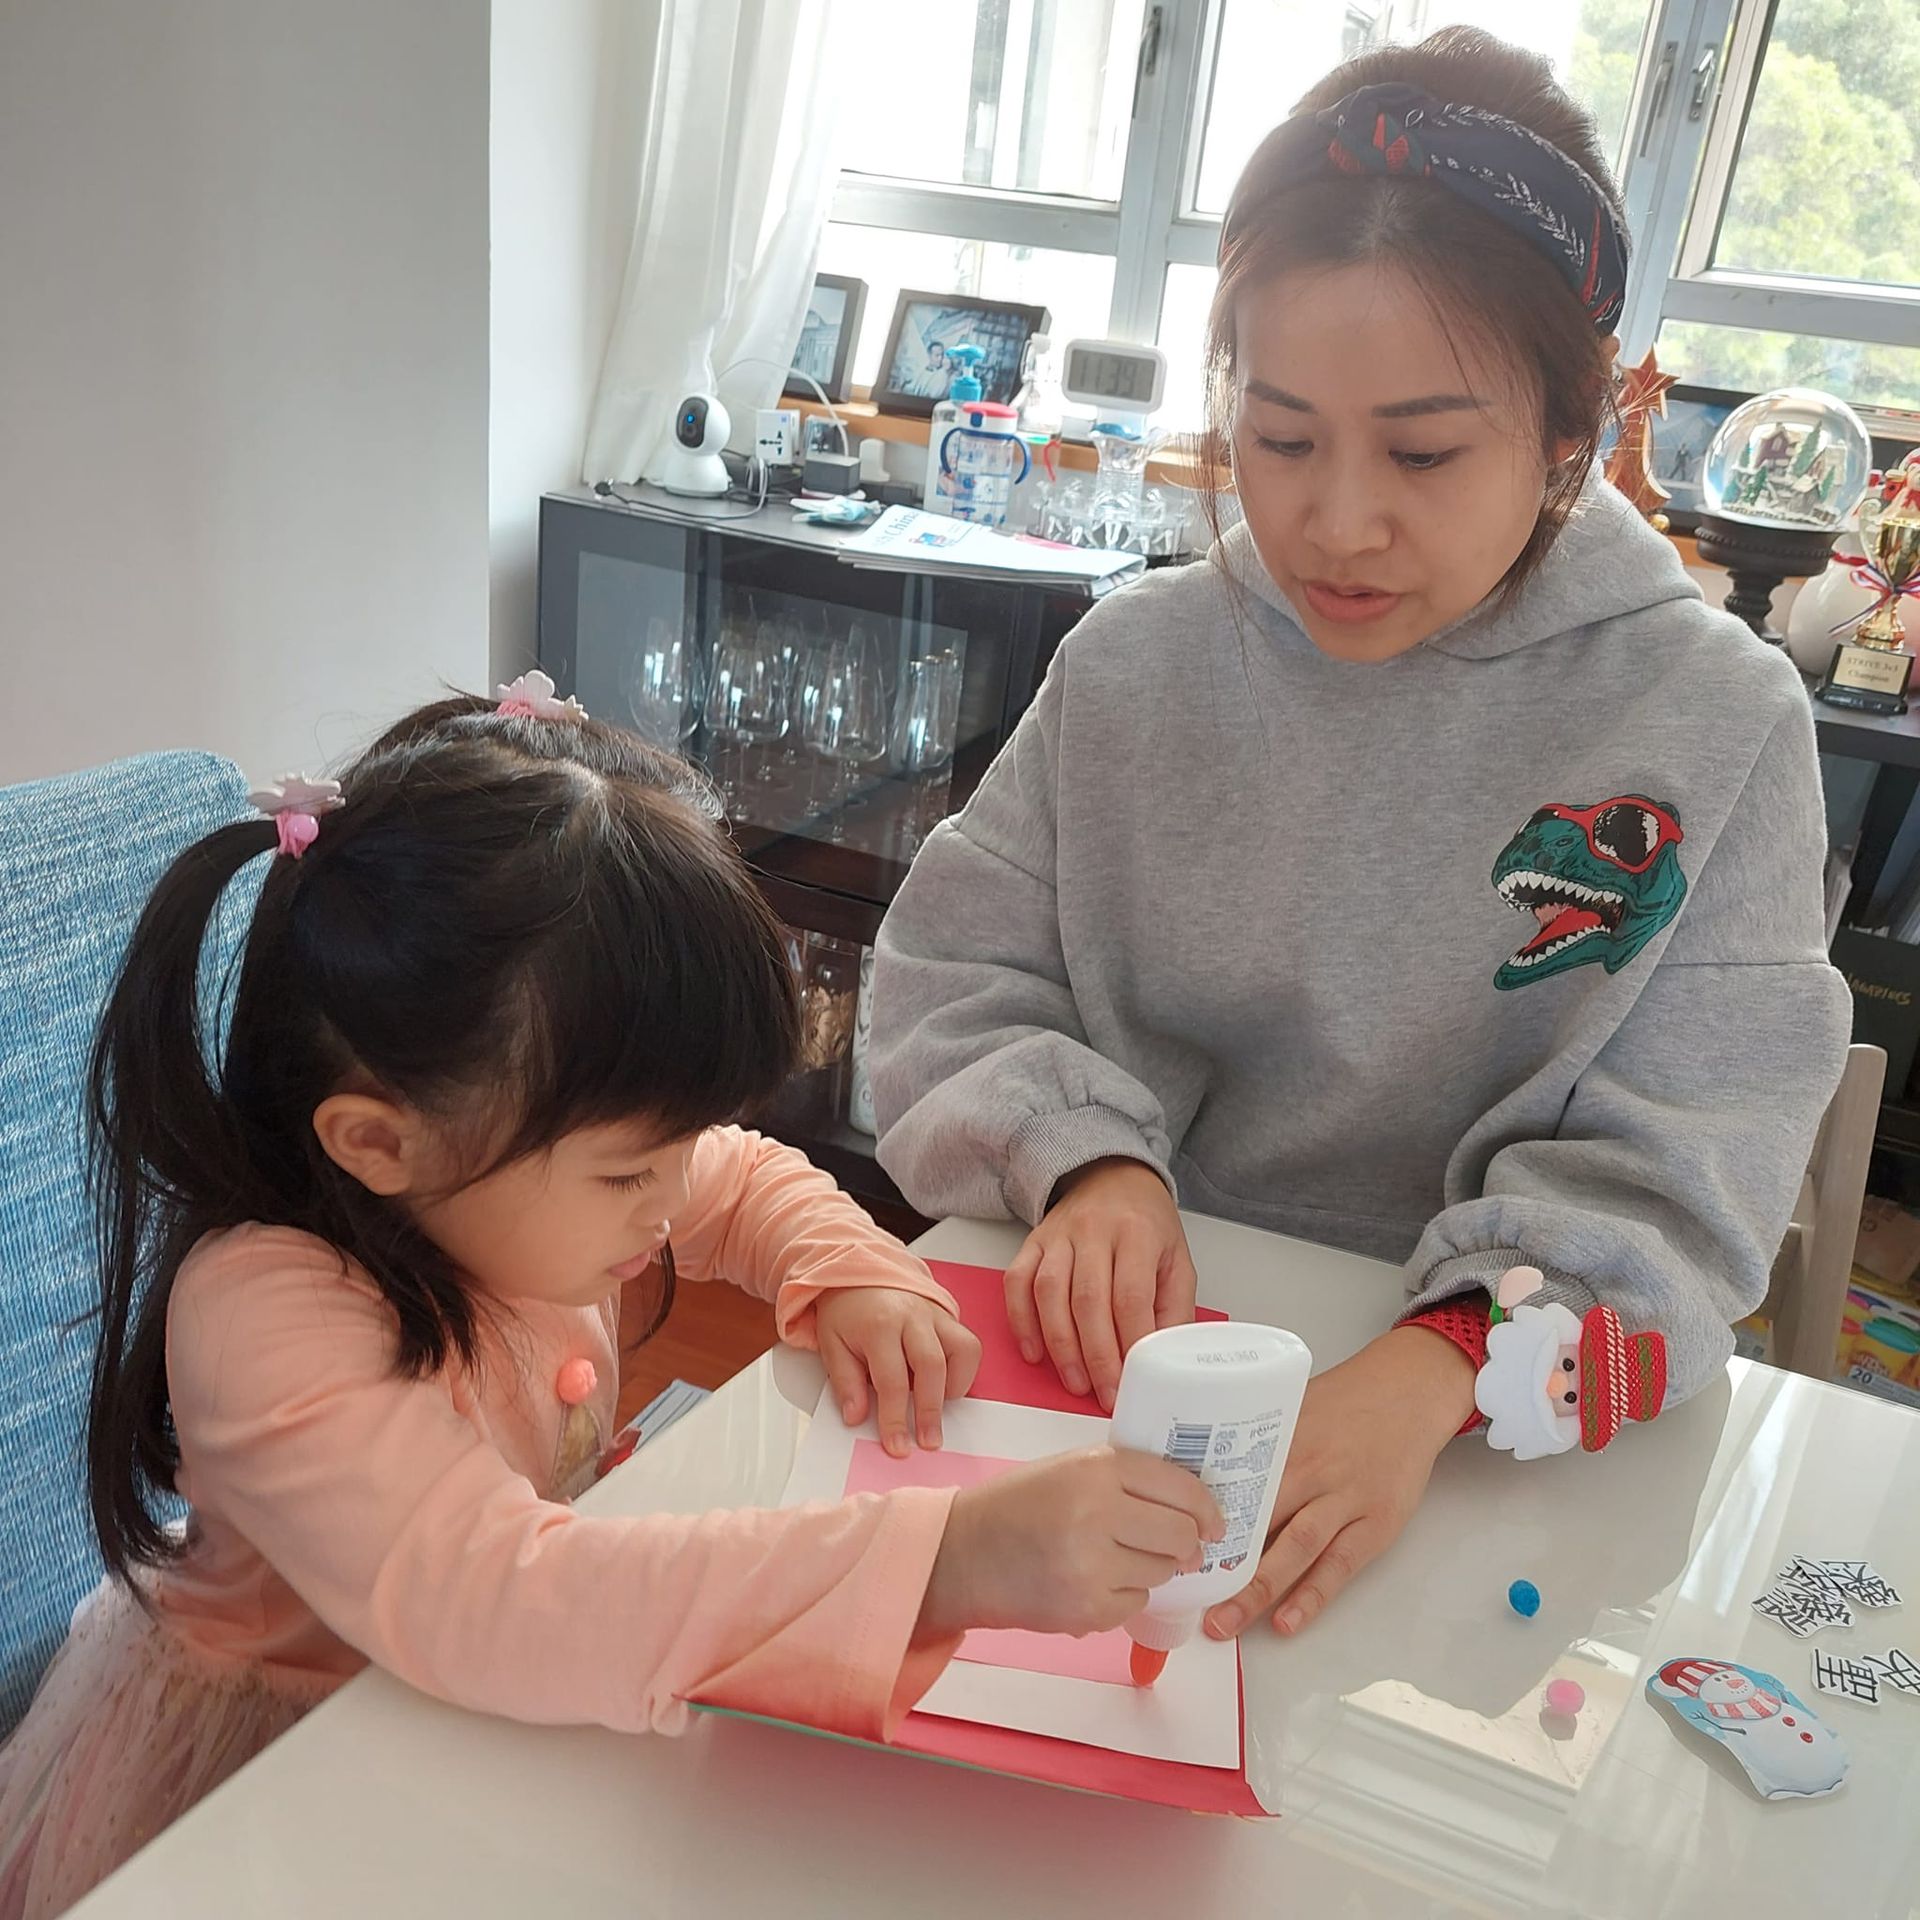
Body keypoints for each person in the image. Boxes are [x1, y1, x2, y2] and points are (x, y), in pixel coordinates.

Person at [870, 30, 1847, 1644]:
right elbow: (940, 983)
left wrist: (1447, 1360)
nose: (1334, 522)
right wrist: (1086, 1158)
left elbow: (1695, 1176)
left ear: (1564, 434)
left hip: (1482, 1440)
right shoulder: (1133, 663)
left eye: (1422, 450)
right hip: (1115, 1373)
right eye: (1280, 432)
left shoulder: (1714, 720)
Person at [0, 677, 1219, 1919]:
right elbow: (501, 1599)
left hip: (472, 1720)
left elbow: (738, 1179)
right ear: (381, 1143)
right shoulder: (265, 1313)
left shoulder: (519, 1175)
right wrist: (956, 1559)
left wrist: (846, 1270)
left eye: (679, 1140)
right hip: (278, 1780)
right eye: (634, 1166)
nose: (672, 1191)